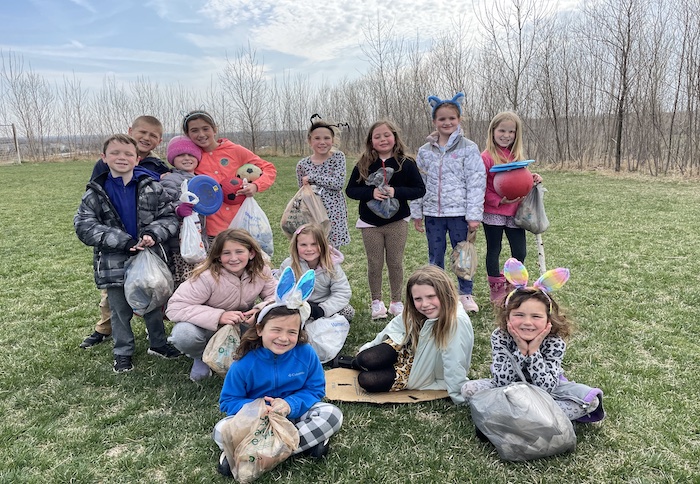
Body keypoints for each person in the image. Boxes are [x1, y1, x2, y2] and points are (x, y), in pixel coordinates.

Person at [212, 275, 343, 476]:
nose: (284, 338)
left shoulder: (306, 353)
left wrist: (290, 404)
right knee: (221, 430)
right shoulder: (243, 363)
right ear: (260, 329)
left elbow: (316, 389)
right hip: (256, 422)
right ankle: (303, 445)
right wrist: (256, 409)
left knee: (332, 415)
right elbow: (228, 401)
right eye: (276, 330)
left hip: (295, 416)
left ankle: (256, 456)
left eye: (292, 332)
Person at [74, 134, 181, 373]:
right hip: (113, 260)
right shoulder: (95, 192)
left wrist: (153, 233)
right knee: (120, 309)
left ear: (137, 159)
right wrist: (122, 241)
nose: (121, 158)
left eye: (128, 154)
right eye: (115, 153)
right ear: (104, 157)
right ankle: (123, 351)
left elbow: (169, 216)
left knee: (152, 302)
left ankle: (159, 343)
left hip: (148, 257)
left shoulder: (151, 187)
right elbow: (84, 225)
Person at [460, 258, 605, 422]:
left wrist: (534, 352)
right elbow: (501, 381)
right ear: (507, 316)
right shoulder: (500, 336)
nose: (527, 322)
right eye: (519, 315)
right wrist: (521, 351)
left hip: (549, 393)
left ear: (548, 319)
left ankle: (516, 416)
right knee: (468, 389)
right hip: (508, 389)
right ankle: (537, 418)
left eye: (536, 316)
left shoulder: (554, 341)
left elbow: (548, 388)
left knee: (591, 401)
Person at [336, 265, 474, 406]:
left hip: (422, 369)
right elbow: (393, 327)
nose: (425, 304)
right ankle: (353, 362)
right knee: (365, 358)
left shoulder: (455, 321)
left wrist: (459, 395)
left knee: (366, 380)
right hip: (407, 347)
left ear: (445, 293)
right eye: (418, 299)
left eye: (431, 296)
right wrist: (368, 347)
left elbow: (454, 361)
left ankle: (372, 366)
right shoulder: (415, 311)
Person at [166, 228, 276, 382]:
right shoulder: (206, 277)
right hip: (209, 328)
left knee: (278, 321)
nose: (233, 258)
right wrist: (219, 316)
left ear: (251, 253)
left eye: (239, 251)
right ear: (217, 255)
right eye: (226, 253)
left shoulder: (261, 271)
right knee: (184, 334)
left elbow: (277, 296)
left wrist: (259, 309)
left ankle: (245, 354)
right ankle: (202, 356)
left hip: (243, 323)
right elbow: (175, 306)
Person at [410, 93, 486, 313]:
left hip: (459, 214)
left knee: (462, 254)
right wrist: (417, 212)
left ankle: (465, 293)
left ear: (459, 119)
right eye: (442, 119)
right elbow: (419, 183)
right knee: (435, 256)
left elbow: (476, 181)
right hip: (433, 213)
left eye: (452, 118)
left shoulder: (469, 148)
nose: (447, 123)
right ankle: (438, 293)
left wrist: (473, 215)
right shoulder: (425, 151)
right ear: (435, 121)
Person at [345, 120, 426, 319]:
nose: (383, 139)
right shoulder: (364, 163)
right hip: (370, 224)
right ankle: (376, 302)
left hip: (397, 222)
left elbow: (419, 189)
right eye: (377, 136)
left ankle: (396, 302)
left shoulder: (405, 163)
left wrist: (396, 191)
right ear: (371, 141)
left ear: (395, 138)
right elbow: (351, 190)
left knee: (395, 262)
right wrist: (370, 192)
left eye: (387, 135)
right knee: (374, 263)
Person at [181, 110, 277, 238]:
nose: (201, 134)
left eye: (205, 129)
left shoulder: (235, 150)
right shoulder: (191, 158)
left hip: (241, 224)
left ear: (215, 129)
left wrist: (256, 186)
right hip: (210, 229)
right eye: (194, 130)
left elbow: (268, 169)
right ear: (187, 134)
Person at [481, 111, 543, 306]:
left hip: (516, 212)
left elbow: (519, 178)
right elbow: (480, 186)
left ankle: (513, 285)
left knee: (520, 250)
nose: (506, 135)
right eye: (502, 130)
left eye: (511, 131)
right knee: (494, 249)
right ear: (493, 132)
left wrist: (532, 178)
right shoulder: (486, 157)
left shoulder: (517, 156)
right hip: (494, 212)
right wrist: (497, 201)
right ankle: (497, 289)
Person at [280, 224, 354, 322]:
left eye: (314, 244)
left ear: (322, 245)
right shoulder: (289, 265)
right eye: (303, 245)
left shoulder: (332, 266)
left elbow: (342, 292)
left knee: (348, 311)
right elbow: (280, 289)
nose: (309, 249)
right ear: (296, 246)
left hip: (324, 305)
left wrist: (322, 310)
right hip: (297, 306)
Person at [160, 135, 207, 286]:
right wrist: (178, 209)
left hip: (200, 240)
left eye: (191, 155)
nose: (187, 158)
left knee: (201, 283)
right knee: (185, 283)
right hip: (180, 244)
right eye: (180, 155)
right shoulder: (170, 180)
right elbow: (163, 204)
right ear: (172, 159)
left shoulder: (202, 180)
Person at [296, 118, 350, 248]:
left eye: (326, 138)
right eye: (317, 138)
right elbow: (302, 192)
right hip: (312, 214)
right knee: (313, 250)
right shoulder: (302, 165)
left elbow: (338, 183)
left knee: (332, 255)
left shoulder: (338, 158)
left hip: (334, 216)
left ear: (332, 140)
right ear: (310, 141)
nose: (322, 142)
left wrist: (313, 178)